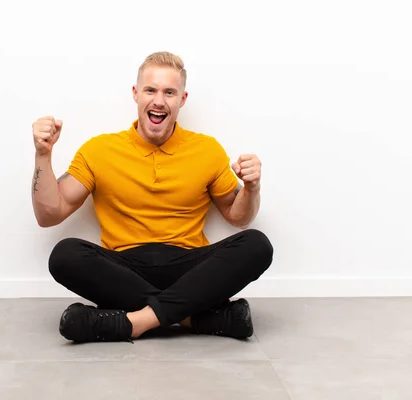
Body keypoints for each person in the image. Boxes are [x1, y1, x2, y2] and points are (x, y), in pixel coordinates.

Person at [30, 51, 273, 344]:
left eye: (169, 92)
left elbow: (239, 217)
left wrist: (252, 188)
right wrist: (43, 155)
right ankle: (193, 317)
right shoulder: (99, 150)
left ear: (182, 99)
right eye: (151, 90)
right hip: (123, 269)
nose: (159, 100)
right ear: (136, 94)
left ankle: (133, 322)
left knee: (257, 245)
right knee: (64, 255)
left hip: (189, 268)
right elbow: (48, 215)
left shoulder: (207, 149)